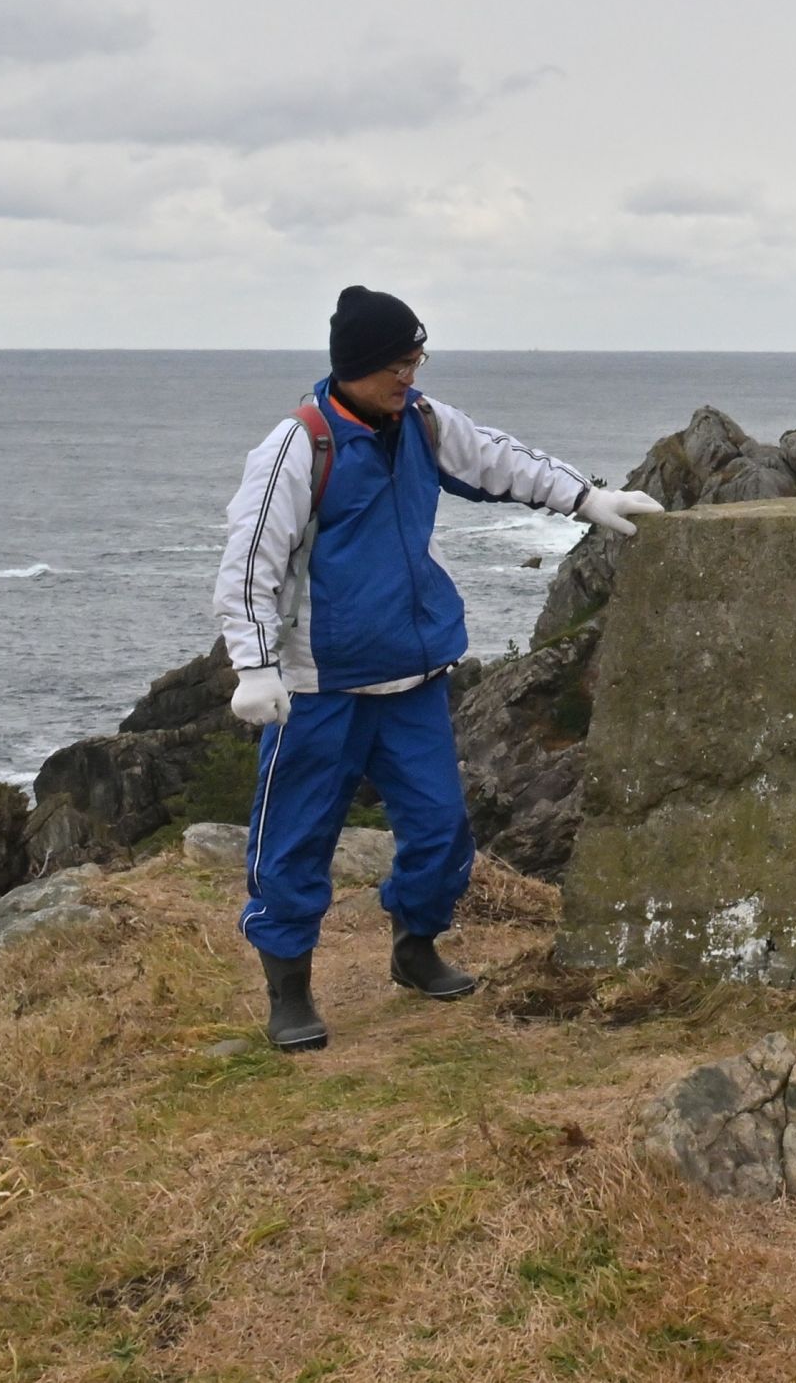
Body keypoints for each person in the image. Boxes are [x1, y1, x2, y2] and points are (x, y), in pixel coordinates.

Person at [213, 284, 665, 1051]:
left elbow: (497, 460)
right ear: (356, 364)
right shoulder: (299, 446)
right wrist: (254, 667)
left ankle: (414, 950)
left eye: (416, 360)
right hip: (318, 688)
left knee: (441, 832)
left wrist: (586, 498)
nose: (409, 376)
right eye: (397, 362)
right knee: (291, 840)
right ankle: (288, 989)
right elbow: (250, 559)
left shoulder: (421, 423)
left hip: (413, 676)